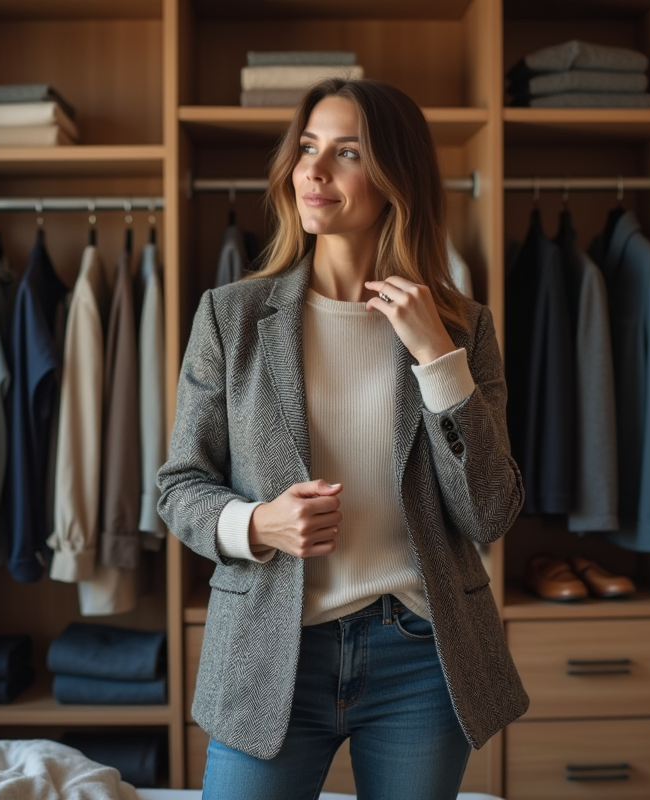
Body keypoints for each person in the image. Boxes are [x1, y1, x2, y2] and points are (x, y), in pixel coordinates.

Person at [157, 78, 528, 800]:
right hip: (272, 650)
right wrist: (257, 522)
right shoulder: (229, 316)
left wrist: (438, 363)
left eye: (347, 152)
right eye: (307, 148)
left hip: (422, 654)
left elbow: (490, 513)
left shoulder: (462, 328)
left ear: (395, 178)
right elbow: (178, 486)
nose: (314, 171)